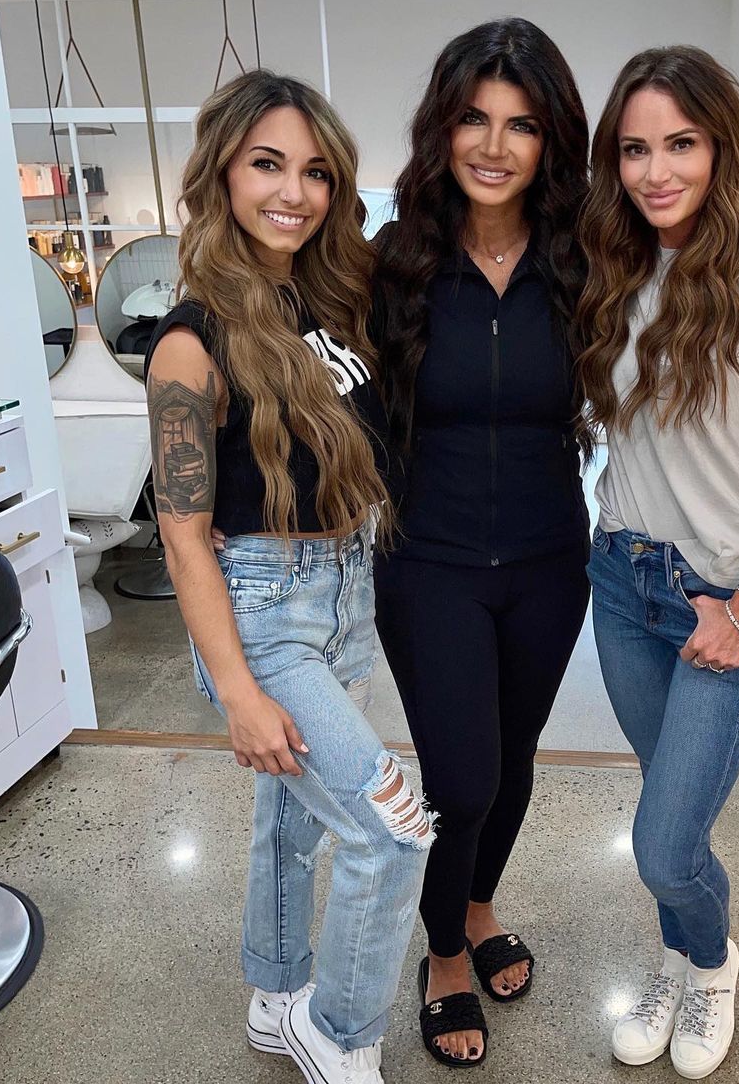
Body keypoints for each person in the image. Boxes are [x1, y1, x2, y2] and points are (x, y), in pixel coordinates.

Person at [144, 70, 432, 1084]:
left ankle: (277, 995)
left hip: (344, 588)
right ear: (223, 171)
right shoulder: (189, 343)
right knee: (394, 829)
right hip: (264, 609)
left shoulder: (328, 296)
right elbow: (183, 538)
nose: (293, 192)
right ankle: (341, 1033)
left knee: (294, 816)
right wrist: (237, 693)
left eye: (315, 172)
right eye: (268, 164)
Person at [577, 47, 739, 1079]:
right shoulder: (620, 263)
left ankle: (712, 963)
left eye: (680, 143)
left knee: (665, 844)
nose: (656, 171)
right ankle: (681, 953)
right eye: (635, 149)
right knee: (664, 808)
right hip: (620, 579)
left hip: (721, 599)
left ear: (723, 145)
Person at [371, 18, 591, 1068]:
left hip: (551, 561)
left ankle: (478, 897)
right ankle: (446, 950)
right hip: (429, 564)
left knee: (511, 764)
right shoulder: (393, 265)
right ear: (442, 128)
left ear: (550, 143)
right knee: (461, 777)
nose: (495, 146)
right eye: (473, 119)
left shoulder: (584, 262)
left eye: (522, 125)